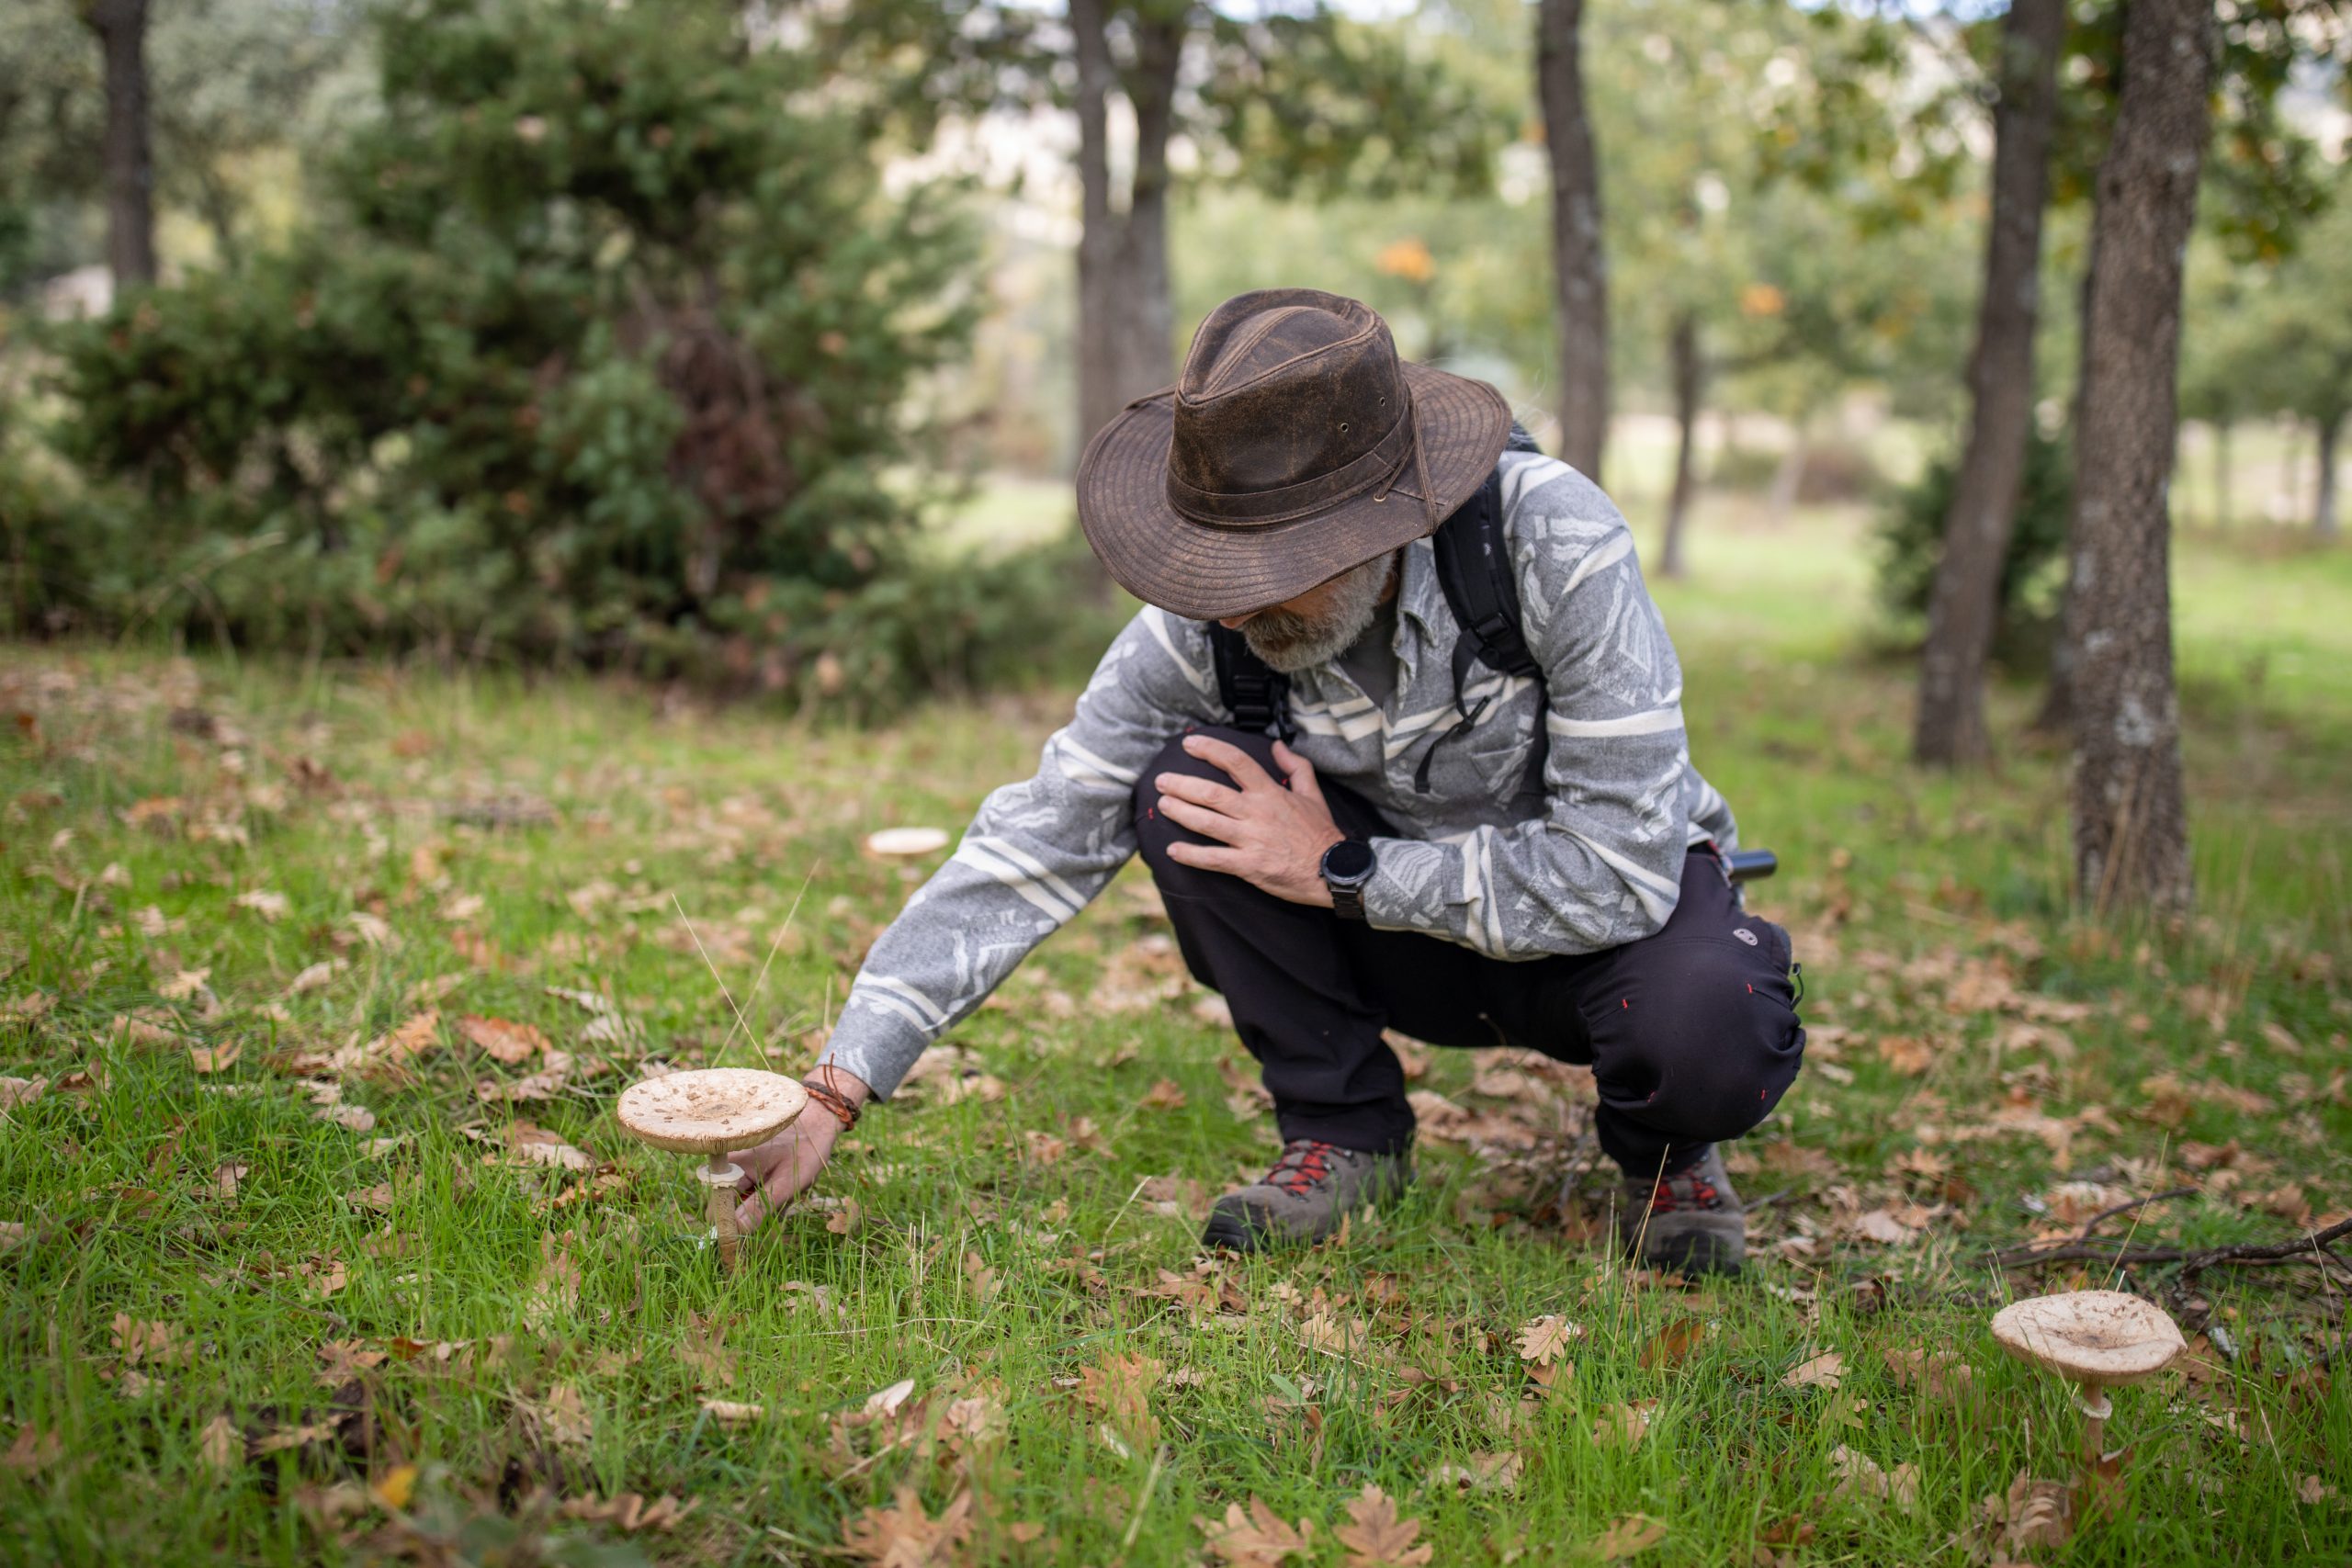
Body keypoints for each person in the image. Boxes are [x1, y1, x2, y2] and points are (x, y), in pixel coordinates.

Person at [730, 288, 1804, 1275]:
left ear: (1387, 520)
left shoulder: (1552, 542)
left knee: (1708, 1027)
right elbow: (1038, 836)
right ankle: (1342, 1136)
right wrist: (838, 1085)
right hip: (1398, 951)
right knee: (1181, 786)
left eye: (1276, 566)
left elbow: (1619, 874)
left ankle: (1668, 1156)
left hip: (1606, 940)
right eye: (1217, 561)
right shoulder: (1205, 628)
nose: (1236, 605)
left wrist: (1343, 870)